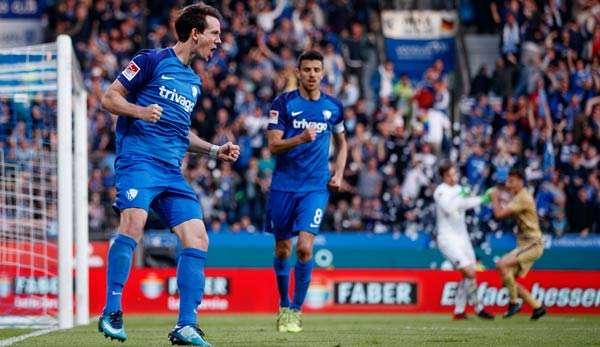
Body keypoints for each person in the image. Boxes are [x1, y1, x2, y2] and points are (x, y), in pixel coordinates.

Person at [98, 4, 239, 346]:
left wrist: (214, 150)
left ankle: (186, 325)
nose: (219, 41)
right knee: (134, 222)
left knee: (198, 237)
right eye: (215, 34)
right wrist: (139, 111)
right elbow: (108, 97)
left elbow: (181, 135)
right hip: (139, 161)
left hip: (171, 172)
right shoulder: (150, 61)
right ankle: (112, 311)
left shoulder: (192, 81)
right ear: (195, 34)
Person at [266, 50, 348, 333]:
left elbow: (342, 143)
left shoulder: (333, 107)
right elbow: (273, 145)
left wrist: (338, 172)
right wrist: (300, 138)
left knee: (303, 248)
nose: (312, 74)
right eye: (307, 70)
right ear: (298, 72)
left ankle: (296, 312)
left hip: (315, 188)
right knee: (282, 248)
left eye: (317, 70)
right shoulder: (283, 103)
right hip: (283, 186)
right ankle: (283, 303)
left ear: (323, 73)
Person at [433, 160, 495, 320]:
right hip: (447, 238)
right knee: (469, 271)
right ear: (443, 176)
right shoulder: (440, 191)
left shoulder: (459, 189)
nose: (454, 177)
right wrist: (459, 195)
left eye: (455, 173)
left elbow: (465, 204)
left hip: (463, 237)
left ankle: (459, 311)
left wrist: (483, 199)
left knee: (470, 274)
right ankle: (478, 308)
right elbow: (448, 207)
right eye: (450, 175)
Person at [490, 168, 547, 320]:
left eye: (512, 181)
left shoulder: (522, 197)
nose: (509, 184)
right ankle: (537, 306)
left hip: (532, 243)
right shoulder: (518, 195)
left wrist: (494, 198)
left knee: (501, 265)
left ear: (521, 181)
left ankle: (514, 302)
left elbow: (499, 214)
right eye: (508, 181)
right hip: (526, 243)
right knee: (508, 279)